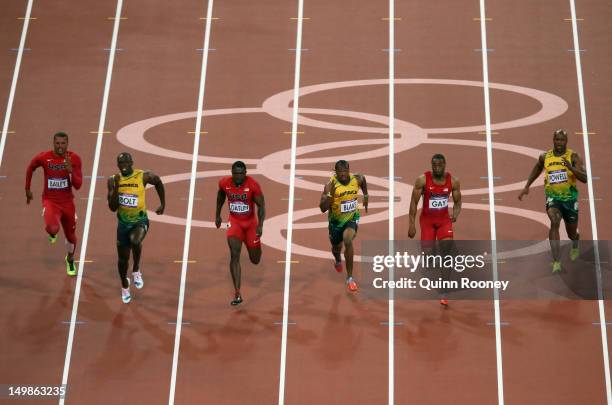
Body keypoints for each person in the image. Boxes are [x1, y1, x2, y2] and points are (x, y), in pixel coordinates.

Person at [518, 129, 587, 273]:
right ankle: (556, 261)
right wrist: (527, 186)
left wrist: (571, 168)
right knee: (554, 221)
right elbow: (537, 168)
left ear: (566, 142)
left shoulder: (573, 156)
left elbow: (585, 178)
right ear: (553, 140)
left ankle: (575, 242)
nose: (559, 142)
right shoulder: (545, 157)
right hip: (553, 198)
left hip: (570, 200)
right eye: (557, 139)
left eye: (562, 140)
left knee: (571, 233)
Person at [107, 152, 165, 303]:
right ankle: (124, 285)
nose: (124, 166)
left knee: (135, 240)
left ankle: (136, 270)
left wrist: (162, 204)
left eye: (126, 162)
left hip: (140, 220)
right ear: (118, 165)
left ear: (132, 163)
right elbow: (112, 208)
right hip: (123, 224)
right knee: (122, 260)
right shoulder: (113, 180)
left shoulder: (143, 176)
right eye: (121, 163)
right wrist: (117, 187)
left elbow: (158, 182)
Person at [26, 132, 82, 276]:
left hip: (68, 202)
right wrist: (27, 189)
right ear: (53, 143)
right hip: (50, 201)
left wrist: (71, 172)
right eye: (57, 143)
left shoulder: (74, 158)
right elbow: (30, 168)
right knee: (52, 228)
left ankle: (70, 259)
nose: (60, 147)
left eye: (63, 143)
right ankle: (52, 232)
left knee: (71, 237)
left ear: (67, 144)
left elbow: (78, 185)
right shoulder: (44, 157)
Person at [408, 153, 462, 306]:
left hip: (444, 221)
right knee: (429, 259)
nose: (437, 168)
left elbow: (458, 202)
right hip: (427, 222)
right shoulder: (423, 180)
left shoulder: (454, 181)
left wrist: (455, 214)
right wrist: (411, 224)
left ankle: (444, 291)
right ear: (431, 165)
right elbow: (413, 202)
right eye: (434, 165)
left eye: (440, 165)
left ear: (445, 165)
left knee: (447, 254)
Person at [215, 161, 265, 306]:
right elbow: (220, 197)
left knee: (255, 260)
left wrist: (260, 225)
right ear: (232, 173)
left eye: (241, 174)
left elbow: (261, 206)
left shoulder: (253, 185)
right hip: (235, 223)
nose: (238, 176)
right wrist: (217, 215)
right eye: (235, 173)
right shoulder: (224, 183)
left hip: (250, 225)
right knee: (234, 255)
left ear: (245, 173)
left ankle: (254, 247)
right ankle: (237, 293)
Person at [319, 160, 368, 292]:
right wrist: (330, 195)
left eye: (345, 172)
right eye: (340, 173)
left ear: (348, 170)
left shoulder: (356, 179)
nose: (343, 175)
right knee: (336, 247)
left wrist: (366, 195)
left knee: (348, 240)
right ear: (336, 172)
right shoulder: (330, 186)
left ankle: (350, 278)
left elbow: (363, 180)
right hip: (335, 223)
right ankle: (337, 259)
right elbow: (322, 208)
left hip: (352, 218)